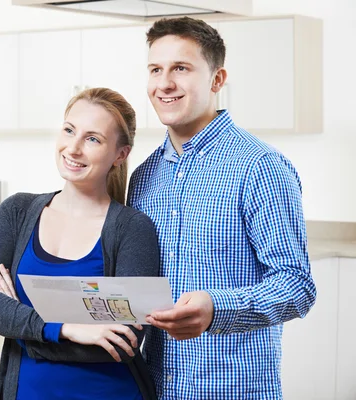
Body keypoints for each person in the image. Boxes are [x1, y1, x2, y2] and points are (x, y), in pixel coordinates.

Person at [127, 16, 317, 399]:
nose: (164, 83)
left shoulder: (259, 167)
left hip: (233, 389)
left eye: (181, 68)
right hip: (154, 386)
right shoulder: (144, 176)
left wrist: (217, 309)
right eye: (155, 69)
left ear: (216, 80)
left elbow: (297, 285)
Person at [0, 87, 161, 400]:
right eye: (69, 130)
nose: (73, 148)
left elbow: (123, 342)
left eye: (93, 139)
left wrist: (20, 321)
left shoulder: (132, 229)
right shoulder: (17, 211)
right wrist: (69, 327)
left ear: (120, 155)